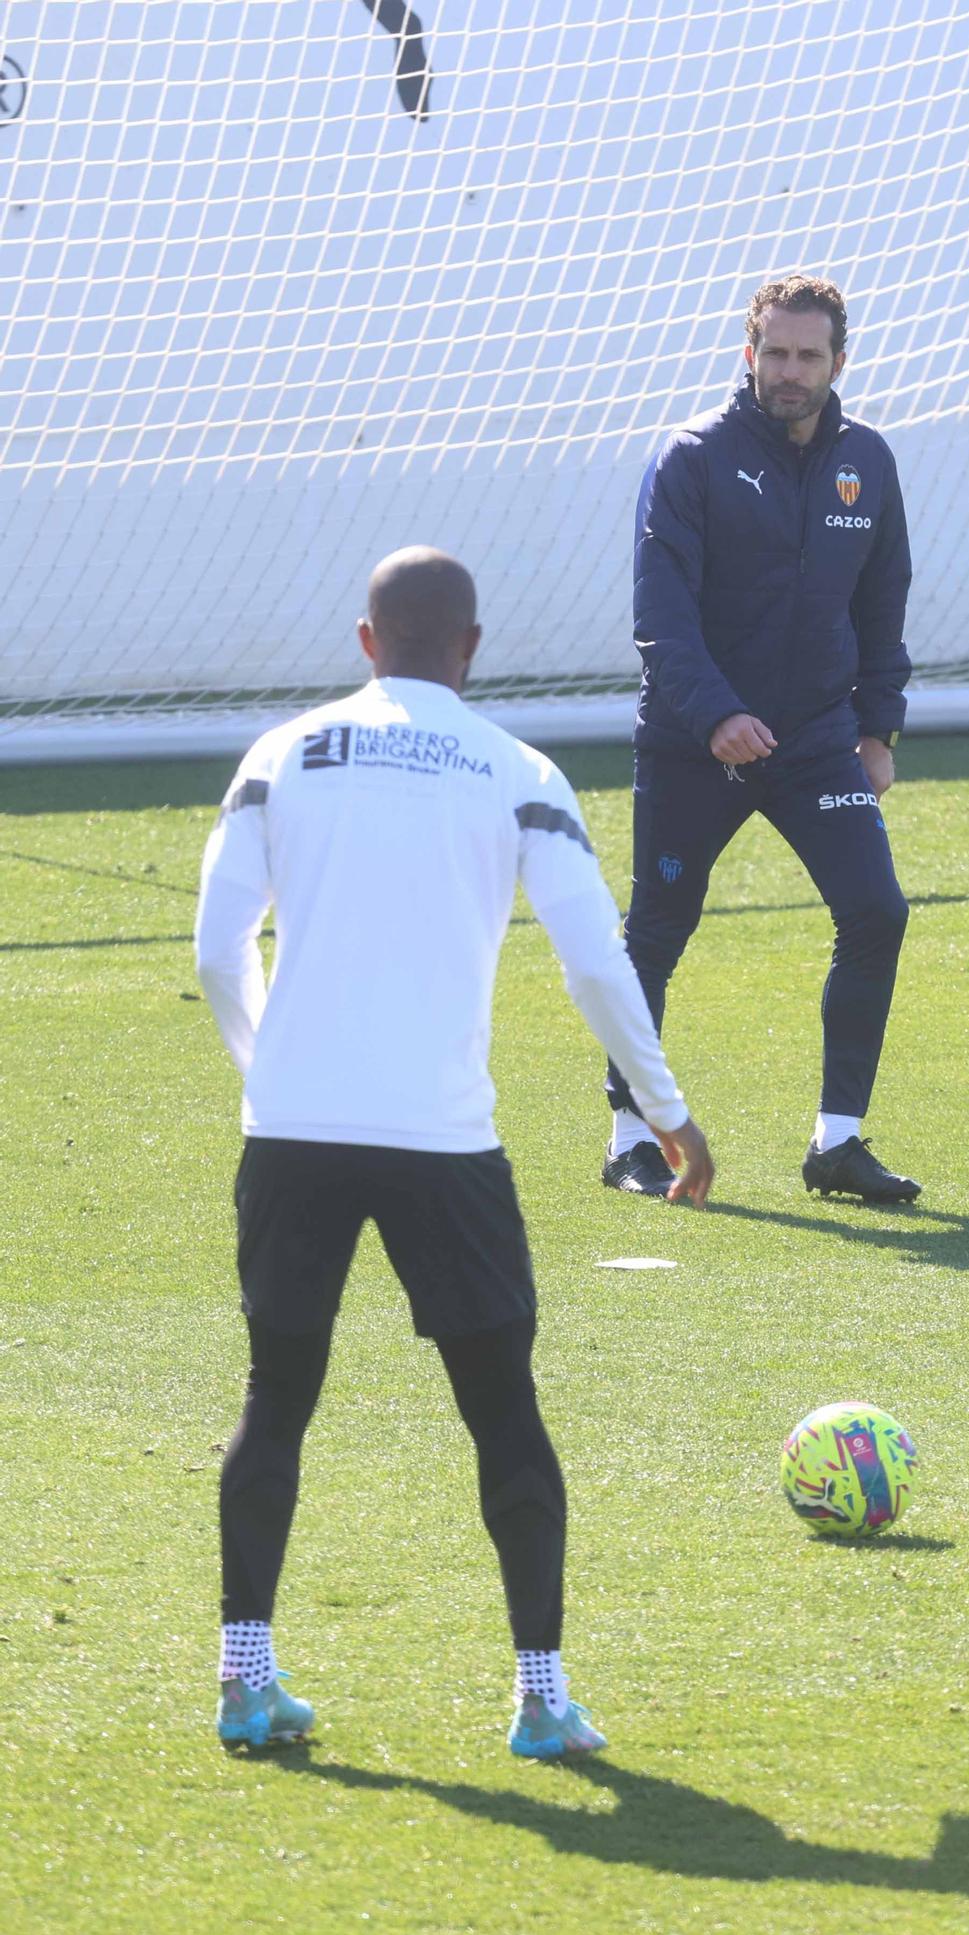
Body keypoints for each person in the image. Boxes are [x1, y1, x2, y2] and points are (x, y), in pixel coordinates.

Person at [194, 547, 713, 1757]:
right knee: (505, 1415)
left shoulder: (281, 753)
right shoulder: (516, 769)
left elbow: (222, 949)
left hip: (295, 1132)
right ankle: (540, 1694)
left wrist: (269, 1068)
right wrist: (664, 1108)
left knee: (276, 1400)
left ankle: (243, 1676)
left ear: (366, 641)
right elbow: (596, 959)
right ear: (471, 648)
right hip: (443, 1142)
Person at [602, 273, 920, 1204]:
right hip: (694, 744)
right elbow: (661, 616)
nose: (789, 371)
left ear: (837, 362)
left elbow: (882, 603)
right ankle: (631, 1138)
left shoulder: (869, 461)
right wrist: (717, 716)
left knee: (877, 913)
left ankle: (837, 1144)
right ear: (748, 355)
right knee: (656, 933)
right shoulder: (692, 458)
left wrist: (878, 728)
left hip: (819, 741)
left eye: (806, 355)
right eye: (773, 353)